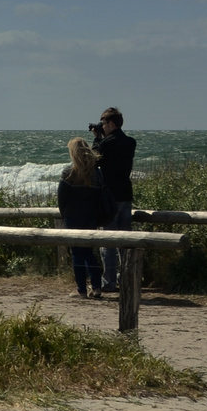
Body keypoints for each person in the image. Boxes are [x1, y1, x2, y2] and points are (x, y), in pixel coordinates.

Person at [92, 107, 136, 288]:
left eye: (103, 123)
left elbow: (94, 159)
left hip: (110, 197)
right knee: (125, 241)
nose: (102, 126)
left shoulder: (107, 143)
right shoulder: (130, 142)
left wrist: (97, 138)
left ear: (111, 123)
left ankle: (108, 281)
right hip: (126, 194)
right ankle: (126, 279)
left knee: (108, 241)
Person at [56, 137, 105, 297]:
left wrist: (64, 214)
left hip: (73, 216)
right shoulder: (96, 173)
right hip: (90, 216)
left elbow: (61, 197)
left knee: (77, 252)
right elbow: (99, 195)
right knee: (89, 251)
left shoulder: (69, 172)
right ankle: (97, 286)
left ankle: (81, 289)